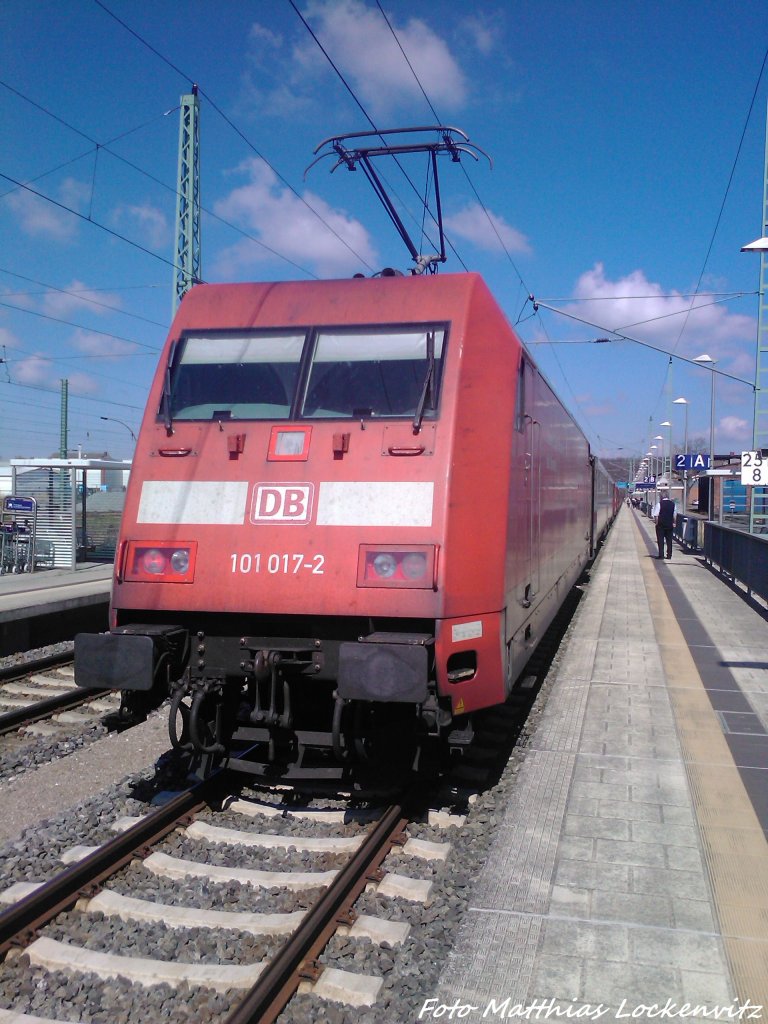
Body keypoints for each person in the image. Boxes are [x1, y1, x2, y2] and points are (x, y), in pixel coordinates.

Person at [652, 491, 676, 559]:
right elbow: (674, 515)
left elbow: (656, 515)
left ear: (661, 497)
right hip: (669, 525)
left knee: (660, 540)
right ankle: (669, 555)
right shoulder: (673, 504)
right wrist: (674, 522)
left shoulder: (659, 504)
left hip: (661, 525)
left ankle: (661, 555)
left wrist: (656, 523)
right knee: (669, 540)